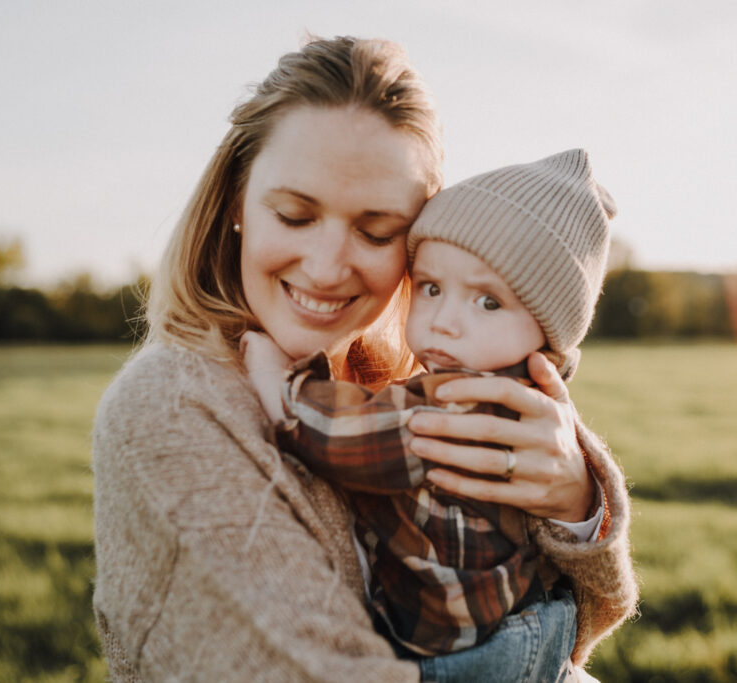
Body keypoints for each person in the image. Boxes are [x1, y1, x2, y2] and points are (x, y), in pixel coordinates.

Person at [92, 35, 638, 682]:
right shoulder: (173, 404)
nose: (326, 268)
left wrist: (575, 501)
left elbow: (579, 627)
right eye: (295, 215)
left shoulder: (399, 378)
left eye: (376, 231)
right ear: (236, 202)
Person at [242, 149, 617, 682]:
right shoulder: (527, 400)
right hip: (522, 633)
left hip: (470, 659)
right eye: (432, 289)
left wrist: (279, 383)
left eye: (487, 303)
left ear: (548, 332)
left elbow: (343, 435)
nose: (444, 322)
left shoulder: (465, 399)